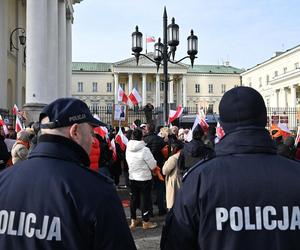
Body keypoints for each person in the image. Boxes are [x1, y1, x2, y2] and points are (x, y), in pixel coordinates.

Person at [161, 86, 300, 250]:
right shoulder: (295, 174)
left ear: (223, 126)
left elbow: (176, 242)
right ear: (264, 120)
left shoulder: (199, 179)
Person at [0, 98, 136, 250]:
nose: (93, 140)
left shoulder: (3, 180)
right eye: (91, 133)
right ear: (75, 132)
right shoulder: (97, 190)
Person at [126, 128, 158, 230]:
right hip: (144, 177)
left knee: (133, 199)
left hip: (133, 176)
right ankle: (145, 221)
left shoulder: (128, 148)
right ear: (141, 137)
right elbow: (153, 165)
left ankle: (133, 220)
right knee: (145, 199)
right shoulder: (145, 149)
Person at [162, 140, 184, 210]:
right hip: (182, 180)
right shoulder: (186, 155)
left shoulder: (173, 158)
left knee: (172, 202)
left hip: (174, 182)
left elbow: (165, 171)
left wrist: (166, 162)